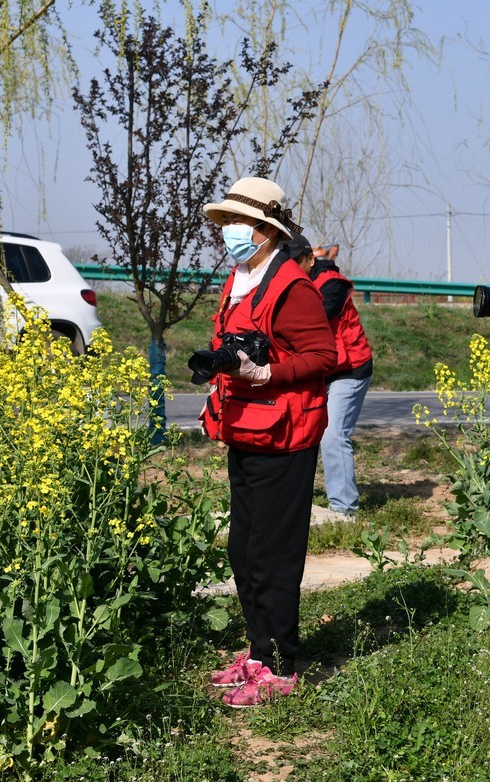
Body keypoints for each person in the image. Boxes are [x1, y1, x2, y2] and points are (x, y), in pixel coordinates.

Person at [196, 177, 337, 708]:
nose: (226, 232)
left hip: (284, 435)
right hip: (247, 430)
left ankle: (279, 664)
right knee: (244, 548)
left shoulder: (292, 285)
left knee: (272, 555)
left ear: (263, 229)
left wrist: (267, 373)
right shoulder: (242, 277)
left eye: (235, 223)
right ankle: (257, 651)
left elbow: (324, 357)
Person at [292, 242, 374, 518]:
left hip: (348, 370)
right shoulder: (292, 282)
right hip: (318, 370)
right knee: (299, 434)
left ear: (310, 259)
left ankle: (344, 510)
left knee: (332, 435)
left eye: (295, 261)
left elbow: (313, 319)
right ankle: (291, 500)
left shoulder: (333, 284)